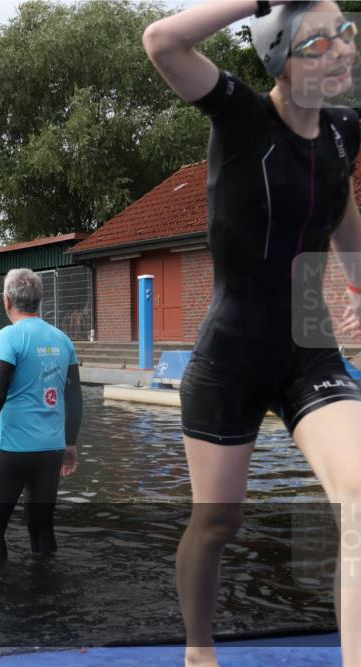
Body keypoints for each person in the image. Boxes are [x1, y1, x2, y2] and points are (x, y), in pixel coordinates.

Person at [143, 2, 361, 665]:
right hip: (230, 358)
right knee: (217, 522)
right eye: (321, 41)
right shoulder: (241, 116)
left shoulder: (346, 131)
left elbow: (340, 207)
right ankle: (199, 648)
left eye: (348, 31)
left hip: (308, 344)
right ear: (281, 59)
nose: (345, 49)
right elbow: (161, 41)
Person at [0, 268, 83, 561]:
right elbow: (74, 397)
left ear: (7, 300)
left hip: (15, 451)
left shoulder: (9, 337)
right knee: (41, 527)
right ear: (39, 300)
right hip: (52, 449)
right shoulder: (62, 340)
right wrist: (70, 444)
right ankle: (47, 590)